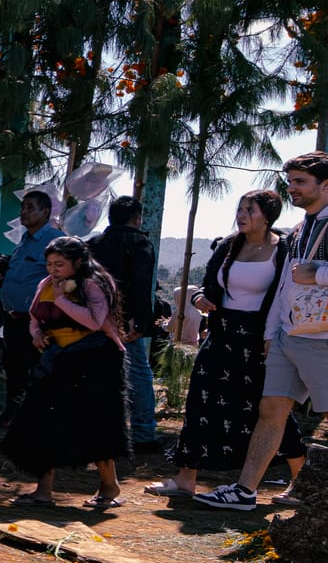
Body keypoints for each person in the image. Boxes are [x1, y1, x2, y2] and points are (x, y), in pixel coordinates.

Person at [150, 190, 309, 499]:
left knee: (270, 409)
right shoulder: (227, 245)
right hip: (221, 333)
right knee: (200, 402)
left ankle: (300, 480)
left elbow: (284, 295)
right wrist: (198, 298)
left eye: (250, 209)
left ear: (268, 215)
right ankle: (186, 478)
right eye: (240, 208)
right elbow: (207, 287)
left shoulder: (284, 248)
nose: (242, 214)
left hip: (259, 339)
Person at [197, 151, 328, 511]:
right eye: (290, 182)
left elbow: (304, 276)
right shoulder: (301, 228)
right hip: (289, 333)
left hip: (323, 338)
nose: (292, 189)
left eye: (300, 182)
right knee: (271, 410)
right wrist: (272, 332)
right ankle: (245, 491)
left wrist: (317, 274)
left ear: (326, 184)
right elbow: (286, 283)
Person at [0, 235, 127, 508]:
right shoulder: (45, 284)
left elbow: (94, 322)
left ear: (78, 262)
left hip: (94, 362)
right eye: (49, 264)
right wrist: (36, 334)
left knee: (95, 424)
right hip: (56, 360)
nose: (53, 270)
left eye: (60, 264)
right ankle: (43, 491)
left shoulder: (92, 284)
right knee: (43, 421)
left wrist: (61, 300)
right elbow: (34, 317)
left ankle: (109, 486)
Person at [88, 195, 162, 452]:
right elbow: (141, 284)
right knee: (138, 375)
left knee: (95, 374)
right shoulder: (140, 243)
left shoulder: (94, 243)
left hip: (92, 318)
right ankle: (143, 434)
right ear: (136, 218)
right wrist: (140, 321)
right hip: (125, 321)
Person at [0, 190, 64, 422]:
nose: (23, 212)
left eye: (30, 208)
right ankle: (12, 413)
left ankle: (37, 417)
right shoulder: (23, 240)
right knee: (13, 367)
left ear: (45, 212)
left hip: (36, 321)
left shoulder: (54, 241)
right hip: (13, 318)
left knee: (38, 369)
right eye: (22, 207)